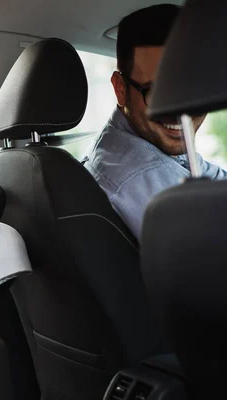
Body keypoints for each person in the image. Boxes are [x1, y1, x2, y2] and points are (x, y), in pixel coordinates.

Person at [82, 3, 227, 241]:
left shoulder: (131, 142)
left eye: (191, 91)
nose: (181, 113)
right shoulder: (139, 177)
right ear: (120, 89)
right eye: (158, 92)